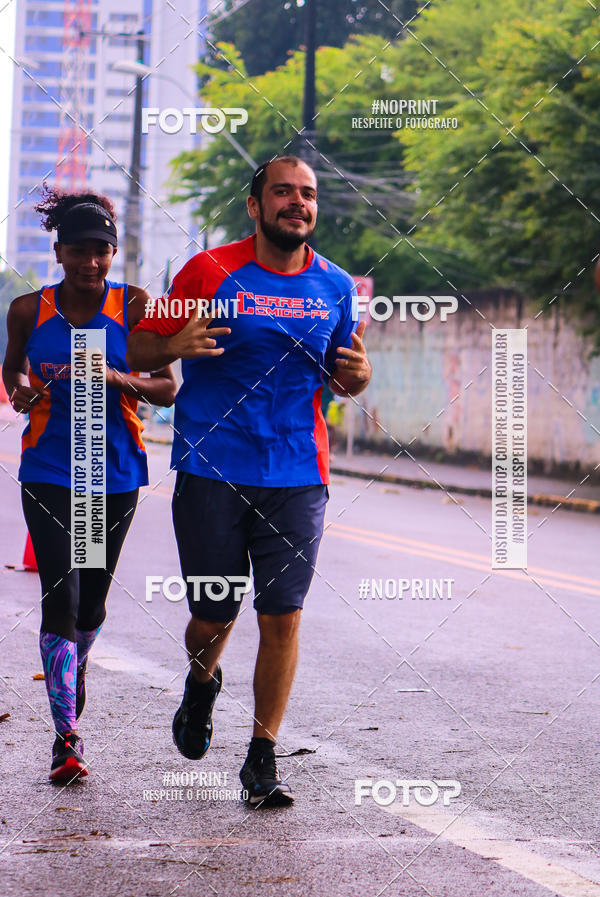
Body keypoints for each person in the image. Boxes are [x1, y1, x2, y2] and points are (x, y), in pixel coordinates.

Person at [126, 155, 372, 806]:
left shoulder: (337, 286)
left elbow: (347, 373)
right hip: (212, 467)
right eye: (284, 192)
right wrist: (176, 343)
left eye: (308, 194)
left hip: (297, 471)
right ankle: (201, 681)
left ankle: (262, 757)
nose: (298, 203)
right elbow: (139, 349)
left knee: (282, 616)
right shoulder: (208, 272)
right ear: (255, 205)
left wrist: (361, 377)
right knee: (213, 613)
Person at [2, 187, 176, 781]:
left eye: (100, 251)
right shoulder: (29, 309)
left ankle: (69, 683)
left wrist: (114, 376)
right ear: (59, 249)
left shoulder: (134, 305)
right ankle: (66, 737)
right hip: (50, 470)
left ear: (114, 251)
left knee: (92, 603)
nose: (90, 262)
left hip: (114, 472)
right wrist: (21, 389)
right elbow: (13, 366)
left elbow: (167, 387)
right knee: (62, 594)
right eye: (78, 250)